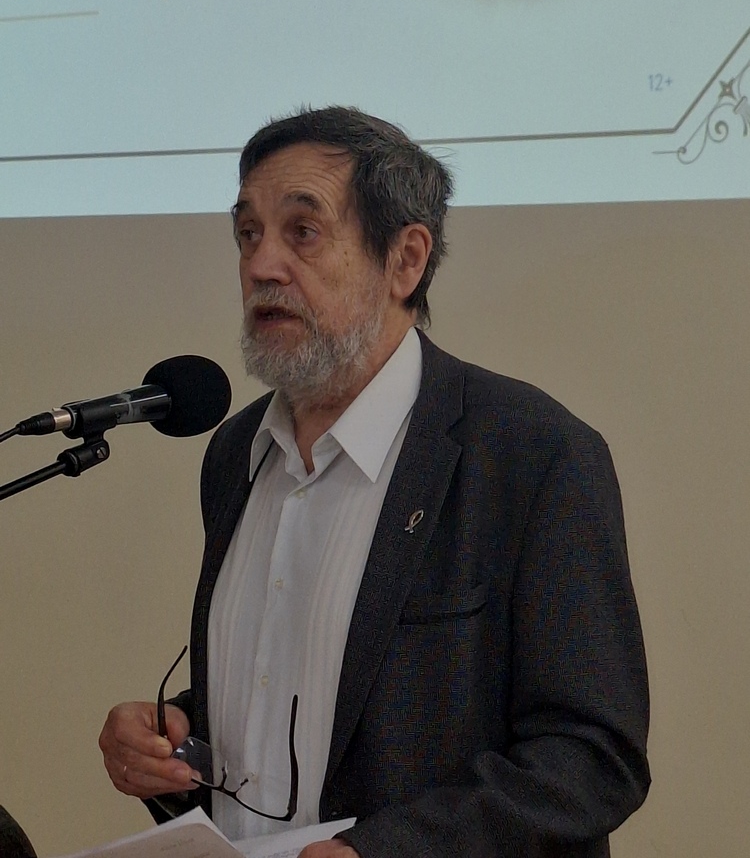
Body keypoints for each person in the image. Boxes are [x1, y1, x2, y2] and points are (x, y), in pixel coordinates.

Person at [99, 106, 650, 857]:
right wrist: (178, 743)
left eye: (302, 231)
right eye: (248, 233)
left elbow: (591, 758)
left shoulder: (531, 454)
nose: (261, 265)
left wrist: (386, 851)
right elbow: (311, 700)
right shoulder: (237, 452)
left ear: (405, 260)